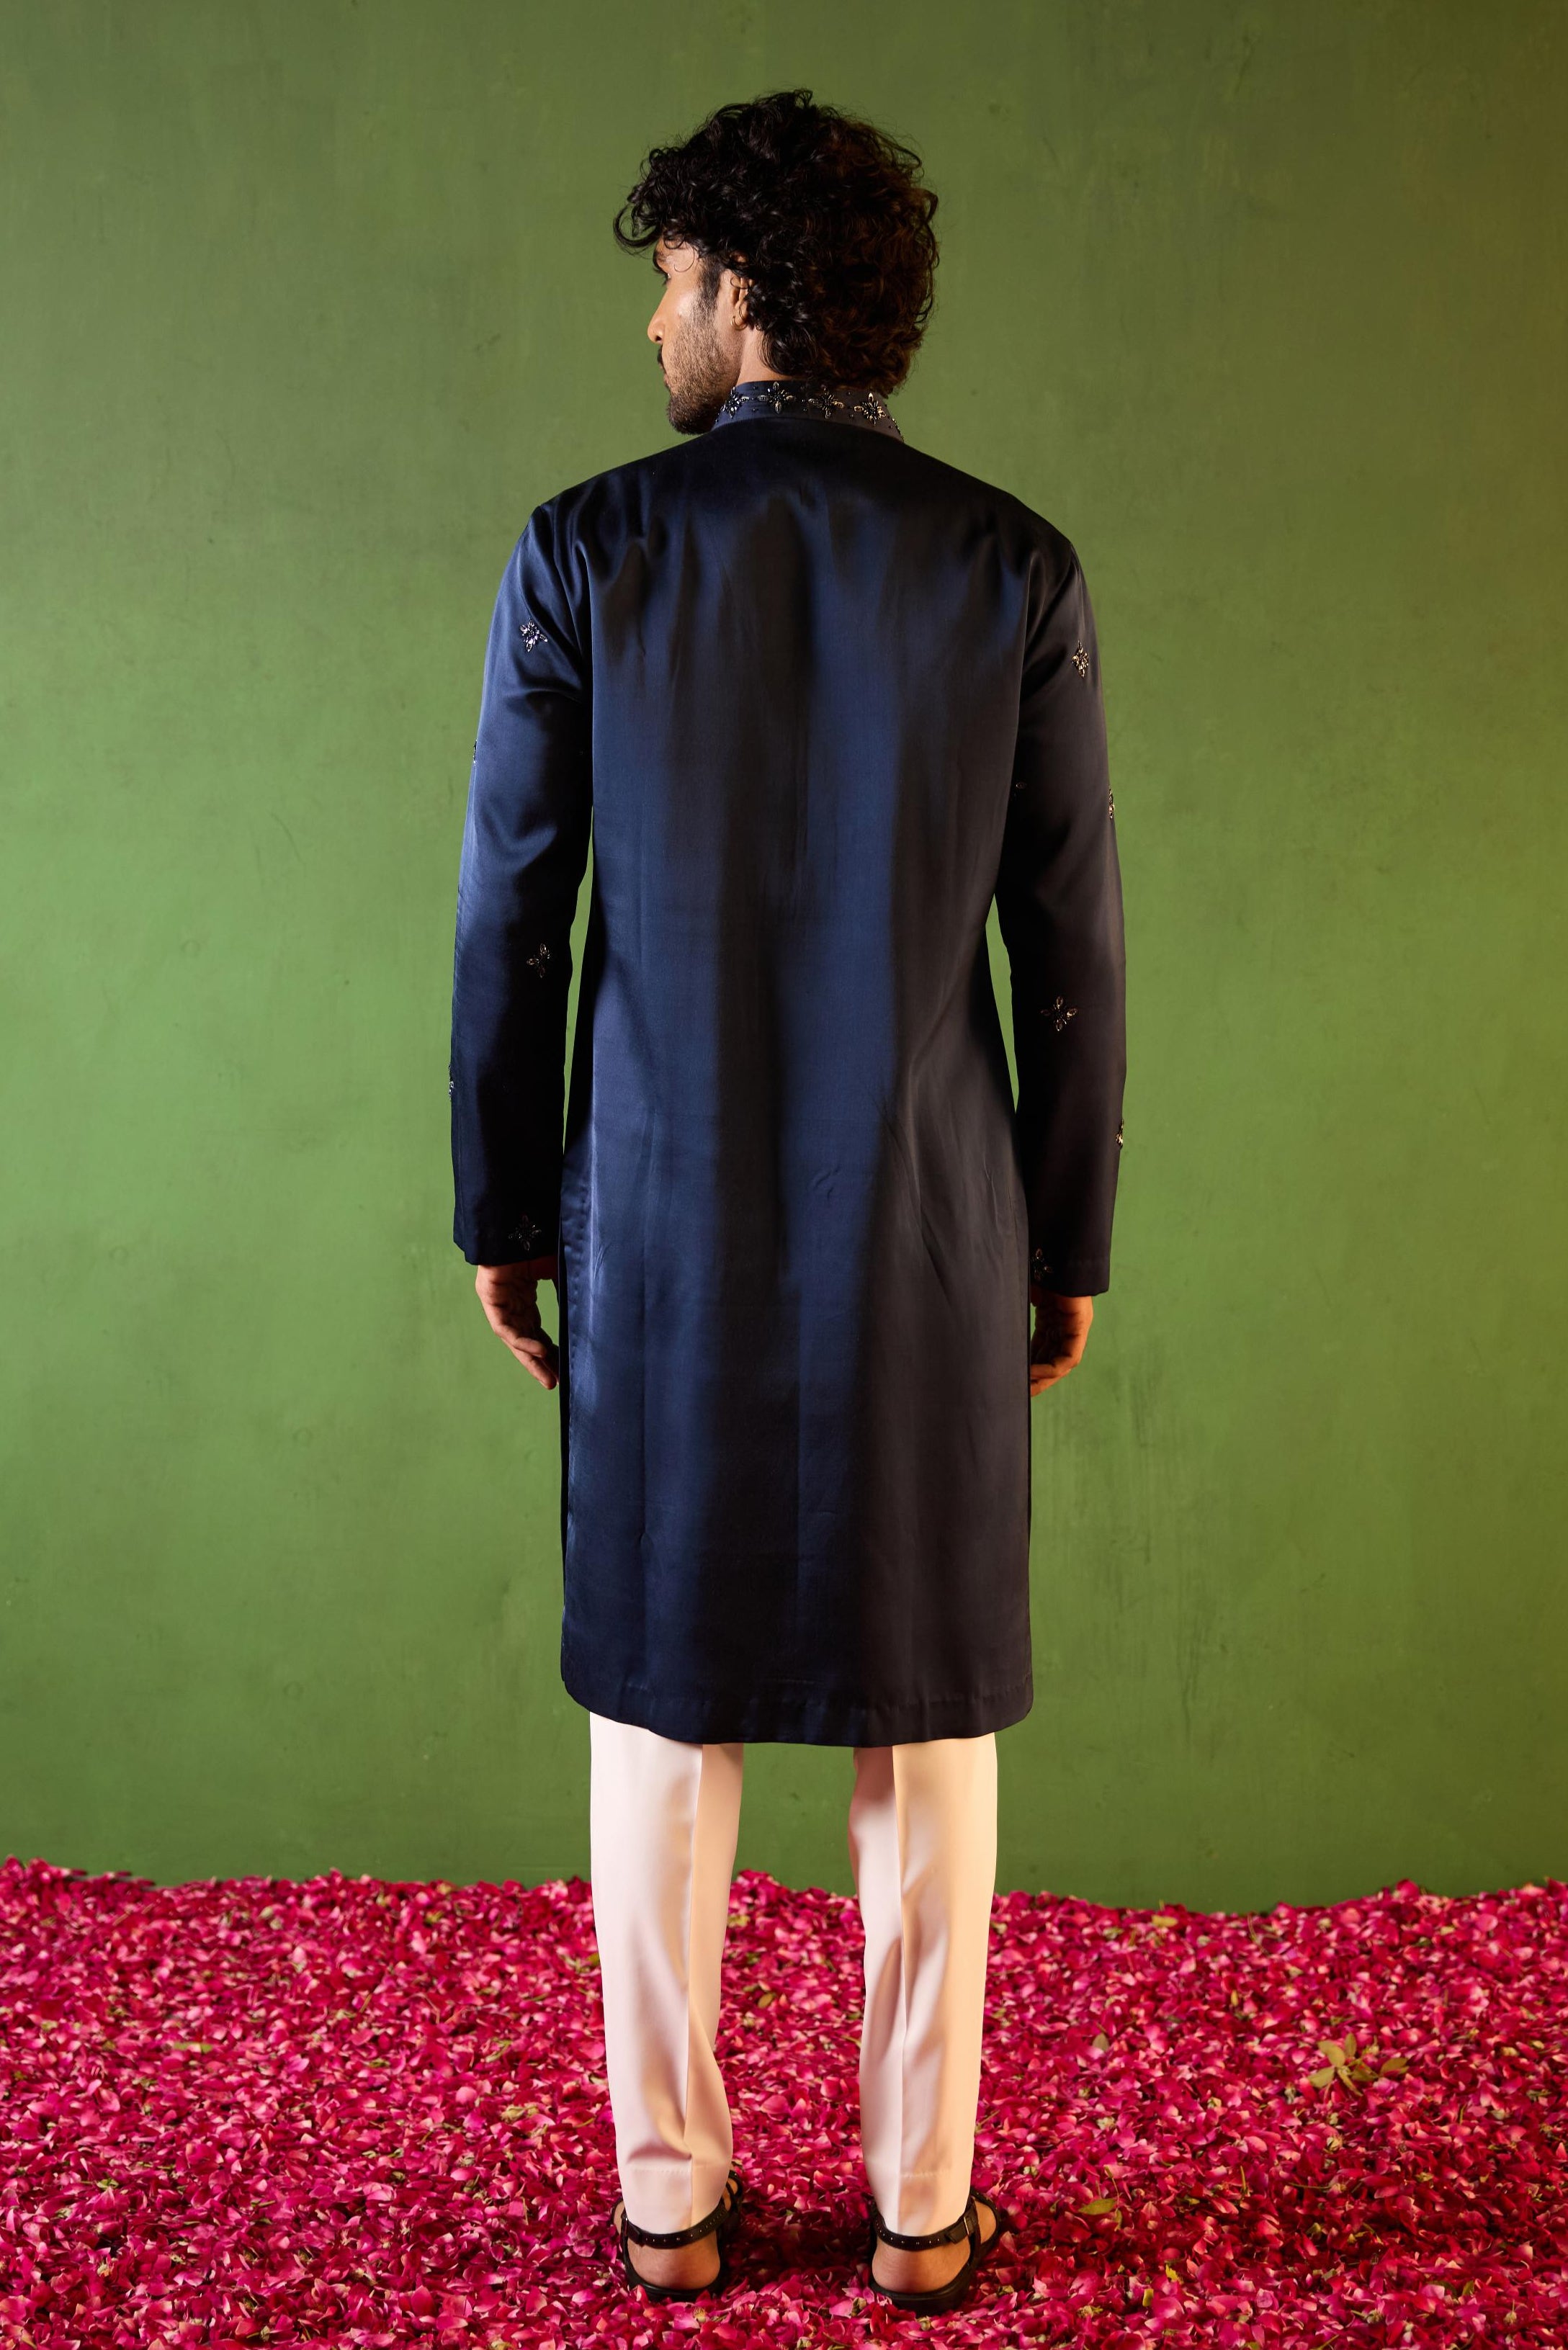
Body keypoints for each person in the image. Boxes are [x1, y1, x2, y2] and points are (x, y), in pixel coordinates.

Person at [448, 89, 1126, 2315]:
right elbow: (1069, 943)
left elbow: (513, 921)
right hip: (933, 1216)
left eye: (669, 278)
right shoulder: (1010, 567)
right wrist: (1065, 1234)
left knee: (665, 1711)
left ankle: (671, 2198)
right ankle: (923, 2209)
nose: (655, 319)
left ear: (741, 291)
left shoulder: (587, 551)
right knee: (922, 1719)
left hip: (651, 1217)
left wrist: (501, 1204)